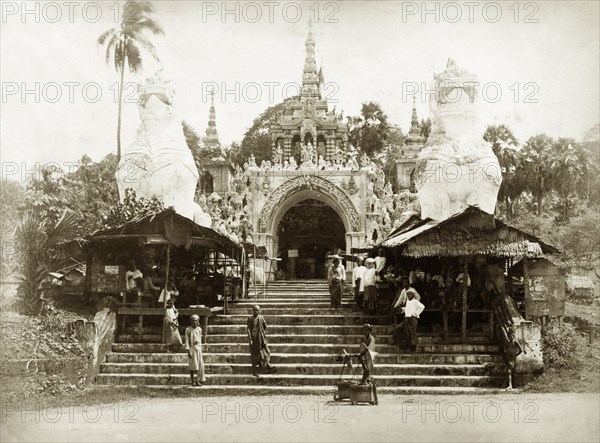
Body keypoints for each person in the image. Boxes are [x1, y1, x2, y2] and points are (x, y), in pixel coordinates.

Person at [247, 305, 274, 376]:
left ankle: (266, 363)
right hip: (254, 339)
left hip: (261, 338)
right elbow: (248, 329)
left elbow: (265, 325)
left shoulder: (261, 318)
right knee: (255, 355)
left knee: (267, 351)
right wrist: (250, 339)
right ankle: (254, 371)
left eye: (258, 310)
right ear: (253, 310)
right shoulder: (250, 318)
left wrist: (261, 333)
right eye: (256, 310)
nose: (257, 312)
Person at [184, 314, 206, 386]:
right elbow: (186, 340)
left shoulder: (199, 329)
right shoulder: (188, 329)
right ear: (191, 321)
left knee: (200, 365)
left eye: (196, 321)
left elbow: (199, 339)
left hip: (198, 348)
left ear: (198, 321)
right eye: (193, 321)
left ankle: (198, 380)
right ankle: (192, 381)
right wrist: (188, 351)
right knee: (192, 366)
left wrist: (200, 348)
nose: (194, 322)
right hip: (191, 348)